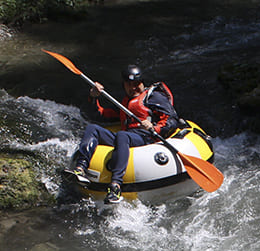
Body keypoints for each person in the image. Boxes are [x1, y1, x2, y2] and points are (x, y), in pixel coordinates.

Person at [67, 64, 179, 204]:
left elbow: (172, 120)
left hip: (147, 138)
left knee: (122, 136)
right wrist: (93, 97)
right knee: (92, 129)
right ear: (124, 85)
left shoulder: (154, 97)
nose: (133, 88)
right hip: (128, 137)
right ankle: (80, 169)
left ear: (142, 83)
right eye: (129, 84)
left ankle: (115, 186)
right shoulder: (125, 102)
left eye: (136, 84)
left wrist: (154, 127)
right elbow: (99, 115)